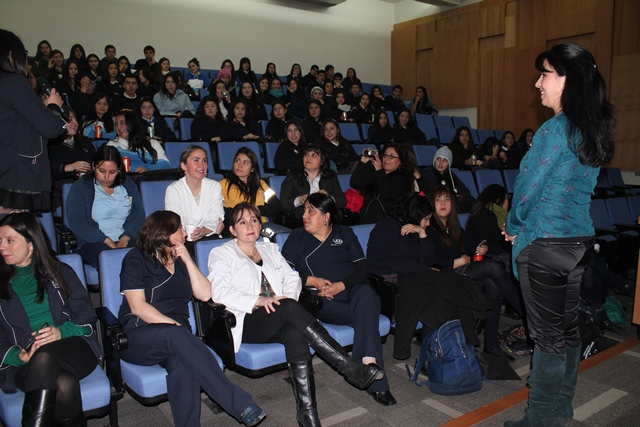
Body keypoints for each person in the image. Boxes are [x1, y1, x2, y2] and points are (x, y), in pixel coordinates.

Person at [504, 43, 615, 427]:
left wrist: (512, 227)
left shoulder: (555, 129)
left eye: (545, 74)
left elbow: (528, 190)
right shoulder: (589, 128)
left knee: (548, 339)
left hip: (546, 244)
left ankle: (540, 420)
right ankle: (559, 413)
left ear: (568, 80)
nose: (538, 83)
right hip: (576, 243)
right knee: (566, 333)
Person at [209, 203, 383, 426]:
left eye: (254, 221)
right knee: (289, 309)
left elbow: (291, 277)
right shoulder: (222, 254)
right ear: (233, 230)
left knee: (295, 333)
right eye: (242, 223)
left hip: (279, 313)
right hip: (248, 318)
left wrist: (286, 299)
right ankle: (347, 366)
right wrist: (258, 300)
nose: (250, 226)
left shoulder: (270, 249)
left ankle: (307, 414)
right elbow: (219, 291)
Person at [118, 210, 265, 427]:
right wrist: (174, 327)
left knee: (183, 365)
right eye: (180, 228)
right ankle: (239, 404)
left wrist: (187, 259)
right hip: (138, 335)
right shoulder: (136, 258)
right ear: (164, 231)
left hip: (177, 339)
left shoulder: (180, 260)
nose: (185, 233)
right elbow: (138, 307)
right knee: (177, 337)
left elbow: (205, 295)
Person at [281, 193, 395, 406]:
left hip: (350, 290)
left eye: (311, 211)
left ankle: (366, 364)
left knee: (367, 293)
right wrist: (312, 281)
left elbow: (363, 269)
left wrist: (340, 285)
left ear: (326, 216)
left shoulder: (345, 233)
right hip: (322, 300)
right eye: (304, 210)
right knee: (367, 314)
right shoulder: (297, 237)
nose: (304, 215)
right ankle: (376, 380)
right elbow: (280, 274)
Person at [0, 213, 102, 426]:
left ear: (31, 244)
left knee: (44, 357)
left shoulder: (59, 272)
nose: (2, 247)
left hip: (72, 347)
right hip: (25, 362)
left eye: (10, 241)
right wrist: (17, 356)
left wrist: (61, 331)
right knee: (64, 384)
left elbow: (86, 313)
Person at [366, 193, 490, 360]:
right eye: (426, 219)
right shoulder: (385, 228)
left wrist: (422, 234)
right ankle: (468, 320)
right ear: (415, 215)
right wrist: (429, 270)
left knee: (441, 297)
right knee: (439, 286)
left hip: (412, 278)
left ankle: (437, 352)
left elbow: (428, 260)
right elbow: (398, 263)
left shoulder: (414, 229)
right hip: (389, 284)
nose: (428, 223)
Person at [428, 185, 524, 362]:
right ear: (432, 204)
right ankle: (528, 316)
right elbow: (428, 259)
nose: (443, 203)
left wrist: (481, 248)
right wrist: (456, 262)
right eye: (438, 200)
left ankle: (491, 345)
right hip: (444, 275)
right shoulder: (429, 228)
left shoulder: (454, 227)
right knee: (494, 267)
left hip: (460, 272)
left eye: (447, 199)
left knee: (493, 286)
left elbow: (472, 246)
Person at [1, 30, 67, 214]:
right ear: (10, 55)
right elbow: (51, 127)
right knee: (15, 230)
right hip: (14, 177)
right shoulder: (13, 82)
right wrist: (53, 106)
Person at [66, 145, 144, 268]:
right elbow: (77, 222)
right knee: (113, 262)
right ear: (93, 166)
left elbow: (138, 216)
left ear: (119, 170)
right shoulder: (81, 187)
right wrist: (105, 240)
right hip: (93, 242)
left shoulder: (128, 185)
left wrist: (126, 237)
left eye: (112, 172)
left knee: (146, 259)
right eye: (101, 171)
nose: (106, 177)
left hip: (127, 238)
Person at [351, 143, 428, 224]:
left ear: (400, 161)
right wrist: (362, 162)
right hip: (366, 219)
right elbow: (354, 183)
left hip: (388, 222)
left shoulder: (403, 179)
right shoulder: (374, 172)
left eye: (392, 156)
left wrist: (379, 171)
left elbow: (388, 194)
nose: (386, 158)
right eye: (385, 155)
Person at [165, 145, 224, 248]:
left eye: (204, 161)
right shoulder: (173, 189)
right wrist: (193, 233)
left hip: (210, 238)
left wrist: (203, 231)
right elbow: (176, 222)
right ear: (184, 166)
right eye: (196, 160)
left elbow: (217, 217)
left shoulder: (214, 186)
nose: (202, 165)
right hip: (183, 242)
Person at [280, 145, 346, 227]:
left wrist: (328, 198)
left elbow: (342, 201)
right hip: (302, 220)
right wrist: (299, 200)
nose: (308, 158)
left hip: (326, 219)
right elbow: (284, 204)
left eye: (314, 155)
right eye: (306, 154)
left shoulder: (330, 177)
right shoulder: (292, 177)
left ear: (322, 161)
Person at [48, 108, 96, 213]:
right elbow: (44, 169)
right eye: (70, 120)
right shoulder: (49, 144)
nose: (75, 123)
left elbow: (96, 163)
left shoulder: (85, 142)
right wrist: (67, 167)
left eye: (75, 119)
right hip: (61, 190)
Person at [219, 147, 283, 225]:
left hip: (260, 224)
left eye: (245, 163)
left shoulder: (261, 184)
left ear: (252, 168)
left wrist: (256, 210)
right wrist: (242, 212)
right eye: (237, 161)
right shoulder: (224, 184)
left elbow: (276, 206)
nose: (239, 165)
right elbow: (217, 209)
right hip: (235, 224)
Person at [465, 184, 513, 271]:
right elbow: (493, 245)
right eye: (506, 198)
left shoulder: (483, 212)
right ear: (498, 200)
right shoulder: (486, 215)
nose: (508, 202)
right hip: (486, 259)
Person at [107, 110, 171, 172]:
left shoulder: (152, 143)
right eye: (116, 124)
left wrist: (148, 169)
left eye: (122, 123)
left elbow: (165, 164)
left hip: (152, 175)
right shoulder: (112, 145)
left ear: (132, 124)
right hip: (131, 177)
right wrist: (135, 170)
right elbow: (111, 167)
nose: (118, 127)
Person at [422, 146, 476, 213]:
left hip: (451, 203)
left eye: (445, 160)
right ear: (434, 160)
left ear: (449, 164)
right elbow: (431, 193)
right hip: (437, 204)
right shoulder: (427, 173)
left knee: (468, 200)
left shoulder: (450, 174)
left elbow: (465, 191)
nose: (441, 163)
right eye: (438, 159)